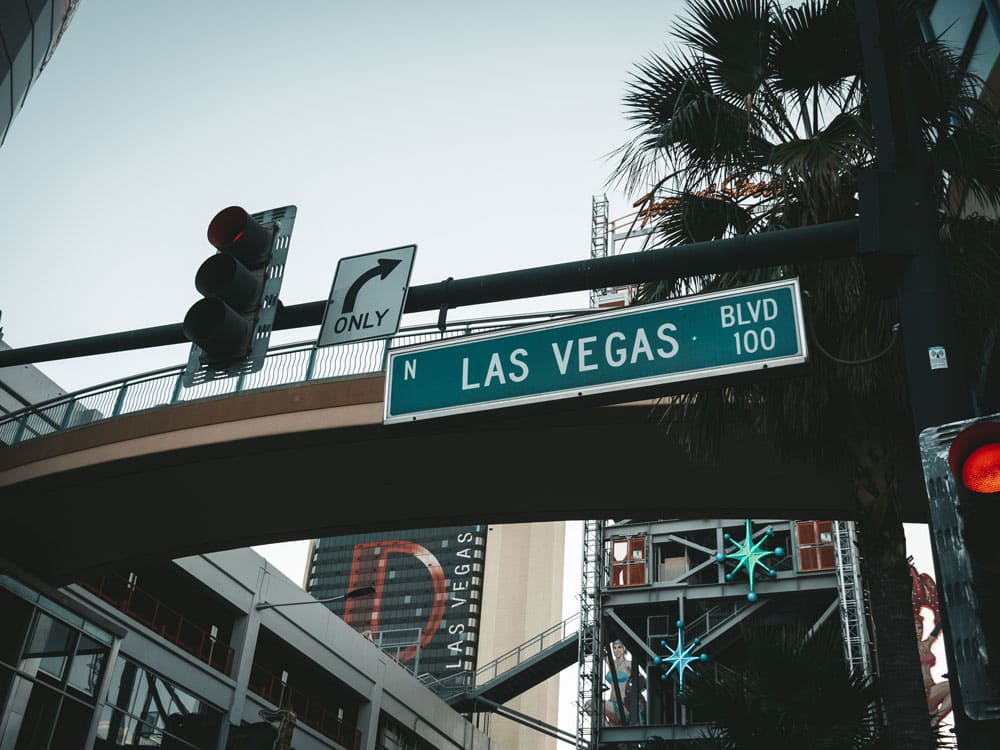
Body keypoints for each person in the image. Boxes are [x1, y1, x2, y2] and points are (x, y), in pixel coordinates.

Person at [911, 560, 952, 727]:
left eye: (920, 627)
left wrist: (944, 607)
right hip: (918, 693)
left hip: (932, 689)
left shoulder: (925, 645)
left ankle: (935, 721)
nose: (919, 631)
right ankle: (934, 723)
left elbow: (939, 627)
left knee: (953, 687)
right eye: (916, 628)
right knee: (952, 687)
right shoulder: (906, 649)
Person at [603, 640, 631, 726]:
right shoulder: (611, 663)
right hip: (611, 702)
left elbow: (642, 682)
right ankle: (607, 728)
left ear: (624, 648)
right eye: (614, 648)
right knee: (589, 705)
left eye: (619, 647)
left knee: (596, 705)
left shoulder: (629, 664)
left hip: (623, 705)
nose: (616, 650)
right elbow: (601, 650)